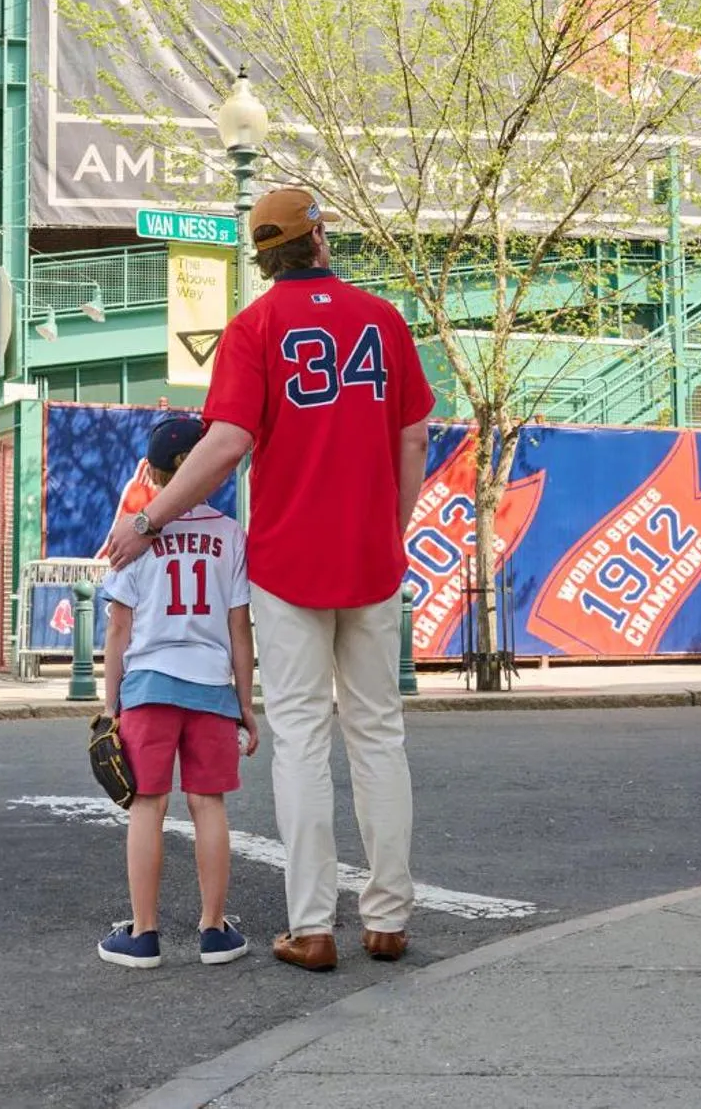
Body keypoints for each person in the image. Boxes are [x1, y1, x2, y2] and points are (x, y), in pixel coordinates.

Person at [106, 188, 433, 973]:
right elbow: (414, 433)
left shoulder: (253, 328)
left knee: (299, 744)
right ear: (318, 238)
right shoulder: (381, 319)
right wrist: (391, 525)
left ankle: (311, 925)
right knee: (378, 735)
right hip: (371, 555)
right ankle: (386, 918)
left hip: (288, 560)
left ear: (262, 254)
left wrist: (149, 519)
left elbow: (223, 446)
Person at [95, 414, 260, 970]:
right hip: (212, 684)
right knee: (207, 803)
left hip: (148, 684)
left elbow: (119, 627)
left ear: (156, 472)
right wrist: (246, 704)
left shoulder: (137, 533)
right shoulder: (230, 534)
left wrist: (110, 703)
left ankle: (143, 934)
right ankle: (214, 930)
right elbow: (240, 627)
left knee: (148, 804)